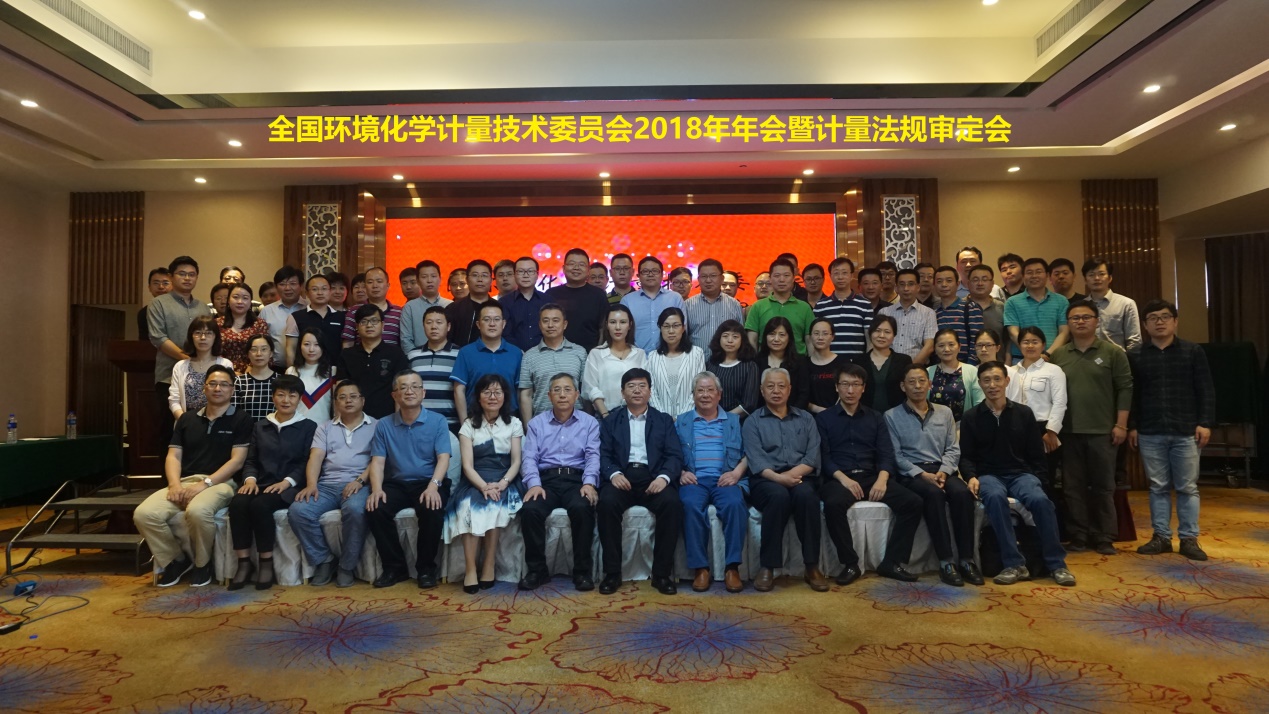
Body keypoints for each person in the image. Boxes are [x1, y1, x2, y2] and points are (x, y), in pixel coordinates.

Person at [133, 364, 251, 587]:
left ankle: (202, 564)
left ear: (232, 390)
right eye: (212, 384)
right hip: (185, 481)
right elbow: (173, 456)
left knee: (198, 511)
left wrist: (205, 483)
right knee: (144, 513)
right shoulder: (187, 419)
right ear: (204, 388)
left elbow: (237, 461)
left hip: (221, 483)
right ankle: (177, 560)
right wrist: (174, 485)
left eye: (224, 384)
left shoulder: (241, 419)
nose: (218, 388)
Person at [960, 361, 1076, 586]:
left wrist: (1040, 481)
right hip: (989, 475)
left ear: (1007, 381)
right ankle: (1014, 564)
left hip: (1021, 474)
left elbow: (1036, 454)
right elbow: (966, 456)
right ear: (980, 384)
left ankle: (1057, 564)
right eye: (986, 380)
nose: (992, 385)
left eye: (997, 379)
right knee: (994, 498)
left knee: (1040, 500)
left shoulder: (1024, 413)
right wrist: (970, 476)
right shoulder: (971, 417)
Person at [817, 364, 924, 585]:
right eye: (845, 384)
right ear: (836, 387)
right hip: (840, 478)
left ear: (863, 388)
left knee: (913, 502)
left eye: (856, 384)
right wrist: (844, 480)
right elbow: (824, 457)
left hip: (871, 476)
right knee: (833, 504)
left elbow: (886, 453)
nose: (850, 390)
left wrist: (882, 480)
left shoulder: (875, 417)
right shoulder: (823, 419)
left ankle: (891, 562)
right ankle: (850, 564)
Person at [1129, 299, 1215, 561]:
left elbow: (1206, 389)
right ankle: (1161, 537)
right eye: (1153, 318)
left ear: (1175, 321)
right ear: (1145, 325)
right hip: (1150, 430)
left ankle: (1189, 539)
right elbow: (1132, 395)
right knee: (1158, 487)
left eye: (1165, 316)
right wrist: (1132, 426)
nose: (1159, 322)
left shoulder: (1192, 351)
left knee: (1187, 487)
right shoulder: (1136, 355)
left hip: (1186, 430)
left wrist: (1205, 422)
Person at [1049, 301, 1133, 555]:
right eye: (1075, 318)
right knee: (1072, 488)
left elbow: (1125, 389)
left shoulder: (1113, 352)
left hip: (1103, 431)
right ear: (1068, 323)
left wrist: (1121, 425)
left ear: (1097, 321)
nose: (1080, 322)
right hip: (1069, 432)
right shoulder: (1059, 355)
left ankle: (1104, 536)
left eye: (1086, 317)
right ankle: (1079, 535)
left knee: (1103, 486)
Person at [886, 365, 981, 586]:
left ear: (930, 385)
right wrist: (921, 474)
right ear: (903, 386)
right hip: (912, 474)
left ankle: (967, 560)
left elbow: (953, 448)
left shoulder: (945, 412)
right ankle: (946, 562)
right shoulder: (891, 416)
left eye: (922, 381)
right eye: (911, 382)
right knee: (934, 495)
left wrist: (944, 472)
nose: (917, 386)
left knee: (962, 493)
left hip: (942, 469)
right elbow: (895, 455)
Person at [597, 368, 685, 595]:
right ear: (622, 392)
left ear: (650, 391)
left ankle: (661, 574)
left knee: (672, 504)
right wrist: (614, 474)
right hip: (622, 477)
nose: (637, 390)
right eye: (631, 386)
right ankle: (612, 573)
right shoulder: (611, 421)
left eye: (642, 386)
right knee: (606, 503)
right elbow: (603, 455)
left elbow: (674, 455)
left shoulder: (663, 420)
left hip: (653, 477)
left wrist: (664, 478)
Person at [227, 375, 317, 590]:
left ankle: (266, 562)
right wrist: (250, 480)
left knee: (260, 505)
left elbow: (307, 461)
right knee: (238, 503)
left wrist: (287, 482)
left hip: (290, 487)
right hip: (260, 483)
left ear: (300, 399)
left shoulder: (308, 426)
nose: (286, 400)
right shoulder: (260, 426)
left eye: (292, 396)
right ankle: (244, 562)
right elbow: (251, 460)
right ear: (273, 397)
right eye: (281, 395)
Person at [365, 370, 453, 588]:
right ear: (394, 395)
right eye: (403, 387)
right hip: (397, 483)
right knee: (376, 508)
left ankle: (426, 569)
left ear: (423, 392)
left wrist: (434, 486)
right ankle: (395, 568)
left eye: (415, 386)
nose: (409, 391)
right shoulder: (384, 424)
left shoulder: (438, 421)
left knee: (432, 509)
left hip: (428, 481)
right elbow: (378, 462)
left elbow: (443, 459)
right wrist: (376, 489)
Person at [744, 368, 826, 592]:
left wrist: (791, 476)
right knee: (778, 497)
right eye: (770, 386)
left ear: (789, 390)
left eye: (781, 386)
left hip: (801, 476)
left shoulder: (806, 419)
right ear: (762, 390)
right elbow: (757, 460)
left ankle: (811, 566)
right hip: (766, 479)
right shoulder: (753, 421)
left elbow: (812, 457)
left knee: (807, 497)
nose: (776, 391)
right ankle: (768, 567)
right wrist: (779, 478)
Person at [518, 373, 601, 591]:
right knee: (530, 510)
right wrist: (534, 484)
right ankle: (537, 571)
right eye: (557, 390)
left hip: (576, 480)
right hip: (546, 481)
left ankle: (582, 572)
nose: (562, 395)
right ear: (549, 395)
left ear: (577, 395)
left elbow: (593, 456)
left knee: (582, 508)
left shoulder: (589, 423)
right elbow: (529, 458)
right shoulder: (536, 423)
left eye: (567, 390)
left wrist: (589, 483)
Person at [289, 379, 376, 588]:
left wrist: (359, 480)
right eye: (342, 397)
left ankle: (347, 566)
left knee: (355, 509)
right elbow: (316, 458)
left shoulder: (377, 426)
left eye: (353, 396)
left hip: (360, 485)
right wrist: (311, 484)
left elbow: (378, 460)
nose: (348, 401)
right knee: (298, 511)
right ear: (336, 402)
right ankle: (324, 560)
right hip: (327, 486)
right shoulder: (325, 427)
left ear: (363, 401)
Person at [444, 373, 525, 592]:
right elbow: (467, 466)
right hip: (475, 480)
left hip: (505, 480)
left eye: (497, 392)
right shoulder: (468, 425)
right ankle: (471, 569)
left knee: (494, 506)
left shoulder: (514, 423)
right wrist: (483, 486)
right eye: (487, 392)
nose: (492, 397)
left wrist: (502, 483)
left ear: (505, 396)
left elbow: (516, 461)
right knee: (468, 507)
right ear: (478, 397)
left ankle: (488, 565)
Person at [675, 372, 748, 593]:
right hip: (694, 479)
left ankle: (732, 567)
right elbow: (670, 453)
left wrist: (736, 473)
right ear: (693, 394)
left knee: (735, 504)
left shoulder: (734, 422)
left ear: (719, 394)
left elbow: (749, 453)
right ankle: (701, 568)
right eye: (700, 390)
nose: (705, 395)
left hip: (725, 478)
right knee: (689, 505)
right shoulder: (682, 421)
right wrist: (681, 472)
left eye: (710, 390)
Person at [149, 256, 214, 449]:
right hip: (168, 377)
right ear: (171, 277)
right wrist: (188, 359)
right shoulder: (159, 304)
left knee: (200, 430)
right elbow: (158, 338)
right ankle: (168, 469)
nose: (187, 278)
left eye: (192, 274)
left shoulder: (203, 307)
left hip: (202, 378)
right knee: (169, 431)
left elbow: (211, 337)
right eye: (182, 274)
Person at [1007, 326, 1068, 492]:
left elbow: (1060, 402)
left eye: (1035, 342)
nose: (1030, 346)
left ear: (1043, 345)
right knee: (1020, 476)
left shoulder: (1053, 370)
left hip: (1043, 430)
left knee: (1044, 478)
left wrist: (1052, 431)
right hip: (1016, 430)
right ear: (1019, 345)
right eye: (1025, 342)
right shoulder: (1011, 371)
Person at [452, 301, 524, 424]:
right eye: (486, 319)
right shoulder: (466, 352)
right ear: (478, 324)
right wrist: (465, 424)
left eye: (496, 319)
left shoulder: (516, 353)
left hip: (510, 419)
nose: (492, 324)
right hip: (475, 419)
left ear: (503, 324)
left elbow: (520, 391)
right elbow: (459, 390)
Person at [335, 304, 411, 419]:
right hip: (354, 420)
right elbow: (340, 391)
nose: (369, 325)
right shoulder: (347, 355)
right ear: (357, 327)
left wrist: (398, 422)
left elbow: (400, 390)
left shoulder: (396, 354)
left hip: (387, 420)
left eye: (374, 321)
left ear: (383, 325)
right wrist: (339, 420)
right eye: (364, 322)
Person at [518, 304, 587, 422]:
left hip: (576, 423)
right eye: (545, 321)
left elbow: (586, 391)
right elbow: (526, 395)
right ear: (540, 325)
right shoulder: (529, 356)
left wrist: (587, 421)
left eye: (555, 320)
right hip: (542, 423)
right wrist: (529, 427)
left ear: (565, 324)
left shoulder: (580, 352)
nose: (550, 325)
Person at [584, 304, 647, 419]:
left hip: (636, 415)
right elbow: (591, 389)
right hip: (606, 415)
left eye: (623, 322)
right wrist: (605, 416)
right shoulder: (596, 354)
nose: (618, 327)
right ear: (607, 325)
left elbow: (646, 387)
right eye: (613, 322)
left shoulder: (639, 354)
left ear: (630, 325)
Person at [646, 308, 709, 420]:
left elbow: (698, 388)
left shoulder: (696, 353)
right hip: (661, 420)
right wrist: (664, 418)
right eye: (666, 326)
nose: (671, 331)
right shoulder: (652, 357)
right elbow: (651, 391)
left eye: (676, 326)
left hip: (690, 418)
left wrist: (681, 418)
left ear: (683, 328)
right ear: (660, 328)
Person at [168, 316, 233, 421]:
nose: (203, 337)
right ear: (191, 336)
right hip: (186, 422)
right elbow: (174, 401)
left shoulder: (225, 364)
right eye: (198, 333)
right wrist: (185, 422)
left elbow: (228, 397)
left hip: (217, 422)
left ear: (215, 337)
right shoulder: (180, 366)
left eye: (208, 333)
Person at [408, 306, 461, 431]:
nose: (433, 327)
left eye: (439, 322)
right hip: (418, 422)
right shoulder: (413, 355)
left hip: (450, 422)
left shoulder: (460, 354)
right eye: (429, 322)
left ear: (448, 326)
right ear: (423, 326)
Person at [1004, 258, 1070, 360]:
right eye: (1029, 272)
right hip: (1021, 359)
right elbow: (1013, 333)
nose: (1034, 276)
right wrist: (1032, 353)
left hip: (1053, 358)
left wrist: (1047, 354)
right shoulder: (1012, 302)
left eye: (1038, 272)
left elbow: (1064, 332)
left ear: (1047, 275)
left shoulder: (1062, 301)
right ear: (1023, 276)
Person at [744, 258, 814, 355]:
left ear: (793, 278)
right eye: (777, 275)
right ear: (770, 278)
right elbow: (752, 339)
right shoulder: (757, 307)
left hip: (798, 361)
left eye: (786, 275)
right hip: (765, 361)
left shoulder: (804, 307)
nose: (782, 280)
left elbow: (810, 341)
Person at [547, 248, 609, 350]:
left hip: (590, 354)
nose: (576, 268)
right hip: (555, 353)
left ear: (588, 270)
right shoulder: (551, 294)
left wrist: (597, 352)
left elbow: (603, 328)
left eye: (581, 265)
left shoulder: (598, 295)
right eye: (572, 264)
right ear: (564, 268)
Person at [851, 314, 912, 413]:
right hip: (864, 415)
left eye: (887, 332)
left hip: (897, 415)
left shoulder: (904, 361)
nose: (881, 335)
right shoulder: (858, 361)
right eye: (877, 331)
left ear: (894, 336)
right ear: (870, 333)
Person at [623, 255, 685, 353]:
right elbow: (622, 333)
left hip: (668, 357)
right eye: (645, 271)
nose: (650, 274)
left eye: (655, 271)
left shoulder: (675, 298)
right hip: (636, 357)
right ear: (638, 276)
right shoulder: (627, 300)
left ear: (662, 275)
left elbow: (683, 330)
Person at [814, 257, 872, 358]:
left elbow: (869, 339)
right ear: (830, 276)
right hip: (828, 362)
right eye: (836, 273)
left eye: (844, 273)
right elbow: (815, 338)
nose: (840, 277)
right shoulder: (820, 306)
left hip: (856, 363)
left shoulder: (865, 304)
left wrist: (867, 362)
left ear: (851, 276)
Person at [285, 274, 346, 366]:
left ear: (330, 291)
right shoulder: (295, 317)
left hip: (335, 370)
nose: (320, 293)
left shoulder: (342, 317)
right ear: (307, 293)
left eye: (324, 289)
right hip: (305, 370)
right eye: (314, 289)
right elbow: (291, 349)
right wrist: (292, 371)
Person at [879, 269, 937, 365]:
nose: (906, 288)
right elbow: (879, 343)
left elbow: (929, 346)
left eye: (911, 284)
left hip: (917, 368)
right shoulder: (884, 312)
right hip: (887, 367)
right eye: (902, 284)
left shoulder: (928, 313)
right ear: (896, 288)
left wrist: (911, 368)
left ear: (918, 287)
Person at [1083, 257, 1142, 351]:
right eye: (1091, 275)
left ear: (1110, 278)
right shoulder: (1081, 306)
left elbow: (1134, 341)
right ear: (1085, 280)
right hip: (1087, 358)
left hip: (1116, 358)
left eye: (1101, 274)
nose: (1096, 278)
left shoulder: (1126, 304)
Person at [683, 258, 743, 348]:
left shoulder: (734, 305)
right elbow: (683, 337)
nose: (708, 280)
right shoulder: (687, 305)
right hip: (696, 356)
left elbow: (741, 336)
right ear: (698, 279)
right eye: (704, 276)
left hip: (725, 357)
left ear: (722, 278)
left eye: (713, 276)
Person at [706, 319, 762, 417]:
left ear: (742, 340)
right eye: (725, 336)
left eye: (735, 337)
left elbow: (749, 404)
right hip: (709, 419)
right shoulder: (711, 364)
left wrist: (724, 418)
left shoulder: (750, 367)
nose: (730, 340)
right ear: (719, 339)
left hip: (738, 421)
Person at [927, 328, 984, 422]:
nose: (946, 349)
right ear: (935, 349)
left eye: (951, 344)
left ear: (959, 347)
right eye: (941, 345)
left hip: (964, 427)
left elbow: (979, 405)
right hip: (933, 427)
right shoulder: (927, 372)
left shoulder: (972, 371)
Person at [757, 316, 811, 410]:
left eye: (782, 335)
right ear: (765, 337)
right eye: (772, 334)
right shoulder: (756, 361)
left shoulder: (800, 361)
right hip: (761, 415)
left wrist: (792, 415)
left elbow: (804, 394)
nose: (776, 339)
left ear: (789, 337)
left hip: (794, 414)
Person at [258, 266, 306, 370]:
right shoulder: (266, 311)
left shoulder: (309, 308)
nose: (287, 288)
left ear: (301, 286)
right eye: (282, 284)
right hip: (274, 368)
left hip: (307, 368)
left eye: (293, 283)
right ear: (276, 287)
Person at [399, 260, 454, 350]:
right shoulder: (409, 307)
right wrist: (416, 356)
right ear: (418, 281)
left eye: (433, 276)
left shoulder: (451, 305)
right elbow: (406, 340)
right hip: (417, 357)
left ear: (440, 279)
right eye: (424, 277)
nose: (429, 281)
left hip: (447, 356)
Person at [341, 267, 402, 348]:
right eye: (370, 282)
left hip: (392, 356)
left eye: (379, 281)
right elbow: (348, 343)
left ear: (388, 285)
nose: (375, 286)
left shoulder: (399, 313)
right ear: (365, 286)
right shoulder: (354, 311)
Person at [286, 327, 335, 422]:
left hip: (324, 427)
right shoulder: (291, 372)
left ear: (323, 347)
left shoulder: (333, 372)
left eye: (317, 344)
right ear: (300, 346)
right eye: (306, 344)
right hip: (296, 426)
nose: (311, 349)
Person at [218, 283, 270, 374]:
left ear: (250, 302)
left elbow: (265, 350)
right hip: (222, 372)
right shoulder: (217, 324)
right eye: (235, 297)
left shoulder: (259, 324)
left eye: (245, 298)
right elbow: (212, 351)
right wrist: (229, 372)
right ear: (228, 300)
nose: (240, 301)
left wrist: (249, 371)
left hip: (254, 373)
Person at [444, 259, 496, 347]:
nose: (480, 279)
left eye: (484, 275)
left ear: (491, 280)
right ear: (467, 280)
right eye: (475, 275)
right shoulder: (453, 309)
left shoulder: (499, 308)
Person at [501, 256, 548, 351]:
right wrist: (517, 351)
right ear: (514, 274)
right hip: (513, 354)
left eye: (530, 271)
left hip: (544, 354)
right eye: (521, 271)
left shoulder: (548, 300)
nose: (525, 275)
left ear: (537, 274)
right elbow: (504, 333)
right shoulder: (504, 302)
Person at [967, 264, 1009, 362]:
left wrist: (1007, 361)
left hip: (997, 364)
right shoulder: (960, 307)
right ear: (968, 283)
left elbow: (1008, 339)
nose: (980, 283)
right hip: (967, 366)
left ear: (992, 284)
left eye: (985, 279)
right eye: (975, 280)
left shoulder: (1002, 307)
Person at [933, 265, 974, 363]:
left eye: (949, 280)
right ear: (934, 285)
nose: (944, 285)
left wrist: (970, 366)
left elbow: (976, 340)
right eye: (939, 281)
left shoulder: (970, 307)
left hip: (965, 365)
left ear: (957, 283)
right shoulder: (933, 312)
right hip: (940, 365)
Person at [233, 334, 279, 422]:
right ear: (248, 354)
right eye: (254, 350)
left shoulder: (280, 381)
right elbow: (234, 413)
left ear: (271, 353)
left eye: (264, 349)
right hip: (245, 429)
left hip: (273, 429)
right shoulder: (239, 382)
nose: (259, 354)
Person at [806, 318, 846, 413]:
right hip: (810, 417)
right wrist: (822, 411)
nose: (820, 337)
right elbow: (800, 396)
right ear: (810, 337)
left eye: (825, 333)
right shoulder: (803, 364)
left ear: (832, 337)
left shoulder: (843, 363)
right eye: (816, 333)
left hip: (839, 414)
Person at [138, 267, 172, 341]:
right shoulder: (144, 313)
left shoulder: (182, 308)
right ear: (149, 287)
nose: (161, 287)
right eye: (156, 283)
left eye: (165, 283)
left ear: (173, 286)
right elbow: (144, 342)